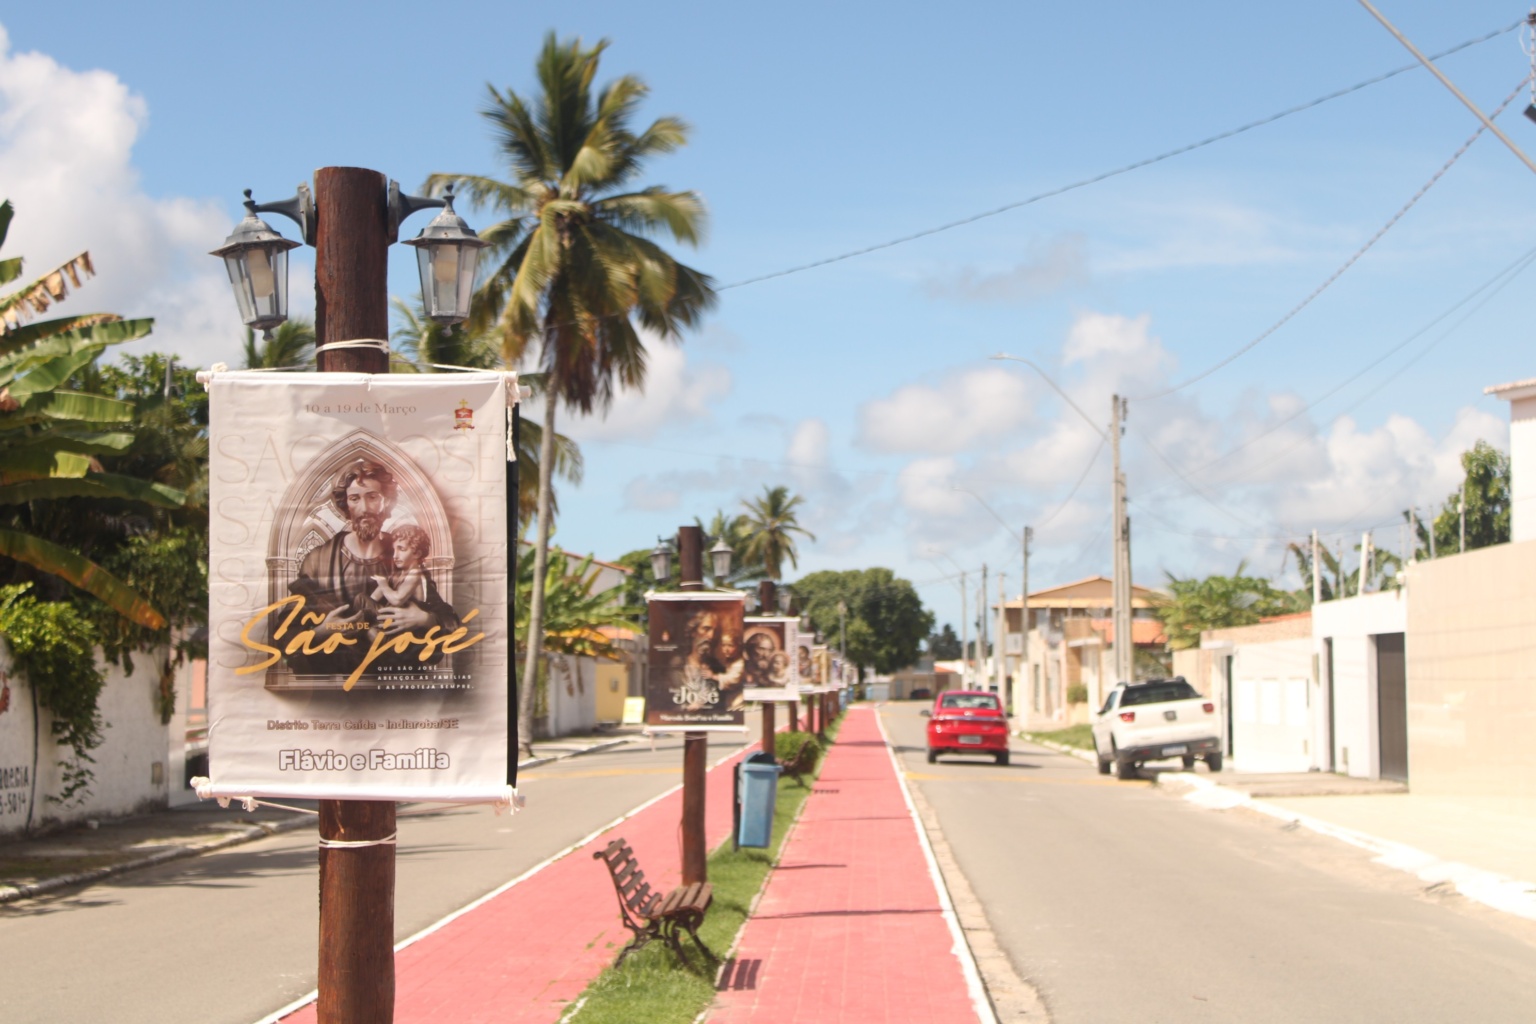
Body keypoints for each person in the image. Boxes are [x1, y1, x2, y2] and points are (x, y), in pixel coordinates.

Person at [283, 460, 458, 678]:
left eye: (372, 497)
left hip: (394, 685)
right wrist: (322, 631)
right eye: (355, 498)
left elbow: (451, 623)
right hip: (336, 687)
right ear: (346, 504)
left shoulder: (403, 554)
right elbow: (284, 637)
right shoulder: (319, 559)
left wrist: (424, 619)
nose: (364, 508)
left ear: (387, 501)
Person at [371, 524, 431, 607]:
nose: (395, 556)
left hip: (407, 615)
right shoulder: (398, 574)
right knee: (361, 599)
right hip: (389, 613)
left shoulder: (415, 574)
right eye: (394, 550)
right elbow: (373, 598)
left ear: (417, 554)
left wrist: (383, 584)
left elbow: (397, 600)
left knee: (361, 601)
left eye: (402, 549)